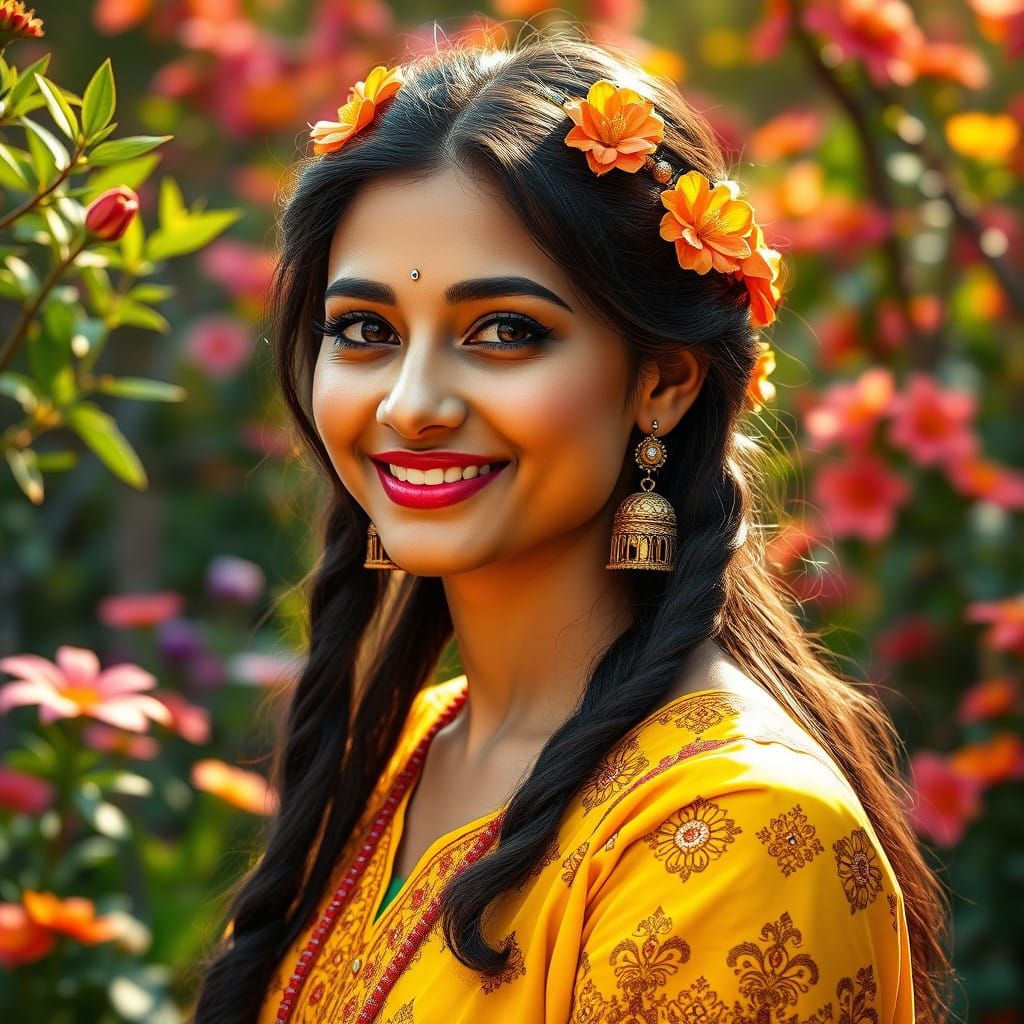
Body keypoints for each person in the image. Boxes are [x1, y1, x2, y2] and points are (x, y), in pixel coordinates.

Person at [188, 26, 955, 1024]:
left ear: (662, 385)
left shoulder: (738, 831)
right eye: (365, 331)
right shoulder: (410, 748)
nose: (411, 402)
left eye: (505, 332)